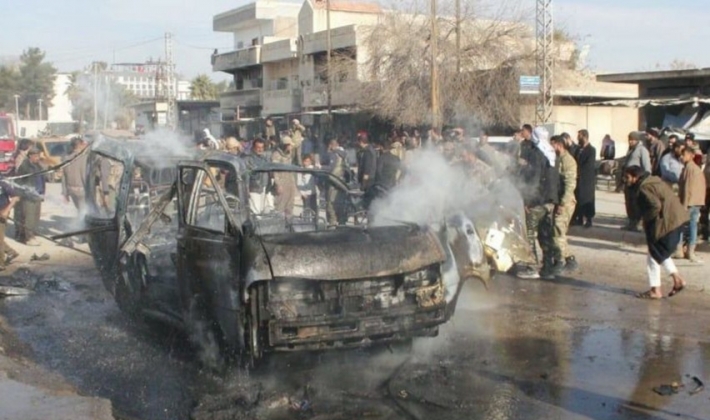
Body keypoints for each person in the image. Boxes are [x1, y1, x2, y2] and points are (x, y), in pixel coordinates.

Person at [624, 165, 687, 299]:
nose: (626, 180)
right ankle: (676, 279)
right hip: (674, 220)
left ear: (635, 177)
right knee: (658, 252)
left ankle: (656, 290)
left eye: (627, 177)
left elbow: (655, 205)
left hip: (667, 223)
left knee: (655, 253)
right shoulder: (652, 181)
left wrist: (645, 219)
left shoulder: (644, 187)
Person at [516, 126, 560, 279]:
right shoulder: (551, 153)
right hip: (550, 201)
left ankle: (531, 266)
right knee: (545, 234)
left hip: (538, 201)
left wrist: (529, 201)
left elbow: (534, 180)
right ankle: (548, 268)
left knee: (529, 233)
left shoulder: (537, 153)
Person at [550, 135, 578, 271]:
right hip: (557, 201)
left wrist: (562, 204)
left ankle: (560, 260)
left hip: (565, 203)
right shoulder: (557, 159)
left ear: (559, 145)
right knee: (556, 231)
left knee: (558, 230)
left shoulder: (568, 161)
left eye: (552, 145)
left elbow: (569, 185)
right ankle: (568, 258)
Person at [678, 146, 706, 263]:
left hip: (691, 202)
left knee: (686, 226)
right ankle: (685, 250)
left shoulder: (690, 168)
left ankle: (687, 251)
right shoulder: (692, 167)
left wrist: (684, 204)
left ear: (691, 156)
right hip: (696, 201)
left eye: (683, 155)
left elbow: (687, 188)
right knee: (690, 225)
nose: (681, 157)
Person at [16, 148, 46, 246]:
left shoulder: (38, 165)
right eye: (36, 156)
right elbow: (19, 182)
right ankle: (28, 238)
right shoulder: (24, 166)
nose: (38, 158)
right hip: (29, 196)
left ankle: (32, 234)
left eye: (38, 155)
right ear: (30, 156)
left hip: (38, 194)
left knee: (35, 217)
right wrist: (24, 193)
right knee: (29, 218)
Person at [622, 131, 652, 231]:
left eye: (632, 140)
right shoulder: (630, 150)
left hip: (636, 181)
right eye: (629, 140)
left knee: (636, 203)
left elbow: (647, 168)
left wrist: (643, 180)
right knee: (629, 202)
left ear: (637, 140)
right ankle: (631, 222)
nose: (630, 142)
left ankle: (637, 223)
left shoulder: (642, 150)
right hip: (628, 181)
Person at [572, 129, 596, 228]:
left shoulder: (591, 150)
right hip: (578, 179)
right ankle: (579, 218)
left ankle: (589, 219)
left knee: (587, 199)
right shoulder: (578, 149)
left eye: (579, 136)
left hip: (587, 179)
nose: (578, 138)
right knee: (578, 197)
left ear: (584, 137)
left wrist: (579, 171)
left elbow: (588, 165)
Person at [271, 136, 298, 217]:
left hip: (290, 180)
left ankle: (289, 224)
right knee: (280, 205)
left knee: (290, 204)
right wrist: (278, 184)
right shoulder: (276, 154)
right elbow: (275, 170)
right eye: (288, 145)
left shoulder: (289, 153)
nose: (290, 147)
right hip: (281, 182)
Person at [61, 137, 89, 214]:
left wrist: (65, 193)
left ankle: (79, 223)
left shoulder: (66, 158)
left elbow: (64, 177)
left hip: (71, 189)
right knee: (85, 211)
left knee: (80, 210)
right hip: (82, 190)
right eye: (83, 144)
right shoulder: (84, 158)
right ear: (79, 145)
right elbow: (84, 175)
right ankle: (82, 225)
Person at [245, 138, 273, 215]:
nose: (260, 150)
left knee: (264, 210)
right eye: (258, 147)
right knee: (255, 211)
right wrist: (246, 188)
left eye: (262, 147)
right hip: (254, 188)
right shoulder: (248, 159)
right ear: (254, 147)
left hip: (264, 187)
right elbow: (247, 174)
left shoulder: (264, 159)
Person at [325, 139, 349, 227]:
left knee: (330, 203)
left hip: (333, 180)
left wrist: (320, 167)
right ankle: (342, 221)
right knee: (340, 201)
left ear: (331, 145)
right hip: (342, 181)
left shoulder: (333, 154)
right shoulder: (344, 154)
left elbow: (330, 168)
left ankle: (332, 222)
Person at [0, 181, 20, 271]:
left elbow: (16, 197)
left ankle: (1, 263)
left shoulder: (2, 182)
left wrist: (6, 210)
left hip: (2, 213)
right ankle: (11, 252)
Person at [297, 154, 318, 219]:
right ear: (303, 161)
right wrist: (302, 193)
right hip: (305, 193)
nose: (307, 163)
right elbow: (299, 182)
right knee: (306, 208)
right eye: (305, 161)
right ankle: (306, 222)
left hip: (313, 192)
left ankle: (315, 223)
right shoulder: (301, 170)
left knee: (314, 209)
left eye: (308, 161)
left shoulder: (314, 169)